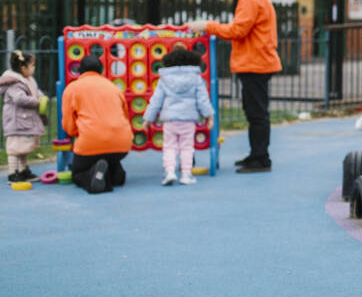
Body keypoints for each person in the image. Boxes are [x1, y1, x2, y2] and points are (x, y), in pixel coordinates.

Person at [187, 0, 281, 173]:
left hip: (254, 63)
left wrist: (207, 26)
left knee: (257, 113)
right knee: (254, 112)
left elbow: (237, 31)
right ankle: (256, 155)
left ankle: (260, 159)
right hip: (256, 61)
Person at [143, 45, 214, 186]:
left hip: (170, 120)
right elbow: (203, 99)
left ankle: (169, 172)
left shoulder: (164, 79)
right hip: (188, 119)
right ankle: (186, 174)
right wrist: (209, 116)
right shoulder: (195, 78)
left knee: (169, 146)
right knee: (187, 147)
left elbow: (156, 100)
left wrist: (148, 118)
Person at [61, 55, 132, 193]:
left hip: (90, 143)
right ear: (101, 70)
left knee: (78, 172)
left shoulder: (73, 88)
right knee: (108, 156)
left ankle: (96, 176)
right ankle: (116, 174)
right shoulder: (113, 87)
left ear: (80, 70)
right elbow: (125, 116)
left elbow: (68, 123)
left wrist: (77, 134)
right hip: (121, 145)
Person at [0, 50, 47, 182]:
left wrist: (41, 96)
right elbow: (20, 99)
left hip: (25, 120)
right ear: (23, 67)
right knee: (15, 148)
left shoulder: (28, 79)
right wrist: (36, 102)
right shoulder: (14, 83)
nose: (34, 68)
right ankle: (13, 173)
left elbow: (35, 91)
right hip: (16, 121)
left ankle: (24, 171)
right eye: (32, 65)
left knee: (24, 147)